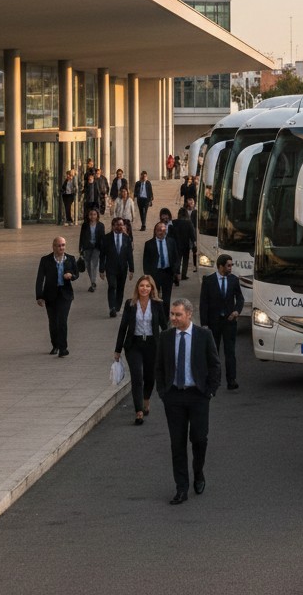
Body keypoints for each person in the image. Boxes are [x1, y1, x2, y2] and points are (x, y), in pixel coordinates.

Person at [156, 297, 220, 504]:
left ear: (189, 314)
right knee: (177, 444)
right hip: (173, 396)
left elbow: (214, 364)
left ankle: (198, 471)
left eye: (178, 315)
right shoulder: (165, 337)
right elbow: (159, 366)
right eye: (172, 314)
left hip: (198, 395)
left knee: (199, 439)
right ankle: (181, 488)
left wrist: (210, 391)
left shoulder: (203, 335)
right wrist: (163, 392)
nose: (174, 318)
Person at [114, 275, 168, 425]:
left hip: (152, 344)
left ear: (152, 289)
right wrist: (117, 350)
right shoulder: (130, 304)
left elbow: (164, 326)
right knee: (137, 377)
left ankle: (146, 399)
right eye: (142, 285)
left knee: (150, 377)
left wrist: (170, 344)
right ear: (137, 287)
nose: (144, 288)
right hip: (134, 345)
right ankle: (138, 411)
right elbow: (123, 327)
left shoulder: (157, 304)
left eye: (148, 286)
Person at [199, 254, 243, 390]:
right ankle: (214, 380)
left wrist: (237, 311)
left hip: (229, 322)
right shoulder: (208, 281)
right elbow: (203, 303)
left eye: (231, 265)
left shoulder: (234, 280)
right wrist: (204, 324)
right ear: (221, 266)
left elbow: (240, 298)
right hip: (214, 322)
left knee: (230, 352)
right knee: (214, 352)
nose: (230, 268)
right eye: (228, 265)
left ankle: (231, 380)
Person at [35, 235, 81, 356]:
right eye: (59, 245)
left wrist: (71, 276)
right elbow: (40, 279)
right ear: (53, 247)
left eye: (63, 245)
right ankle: (55, 345)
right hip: (50, 295)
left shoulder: (70, 258)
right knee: (53, 322)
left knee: (62, 320)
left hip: (65, 295)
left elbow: (76, 274)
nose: (61, 248)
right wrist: (39, 296)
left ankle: (63, 348)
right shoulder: (45, 260)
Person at [100, 216, 135, 316]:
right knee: (112, 286)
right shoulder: (106, 238)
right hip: (110, 267)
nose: (120, 227)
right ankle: (112, 307)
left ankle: (118, 306)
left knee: (120, 287)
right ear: (113, 226)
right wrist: (101, 270)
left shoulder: (127, 238)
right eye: (117, 225)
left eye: (121, 224)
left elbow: (129, 255)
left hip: (123, 268)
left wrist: (131, 269)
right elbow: (102, 255)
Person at [144, 221, 180, 308]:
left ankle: (165, 319)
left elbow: (176, 257)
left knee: (166, 298)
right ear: (155, 231)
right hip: (155, 273)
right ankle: (156, 317)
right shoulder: (149, 244)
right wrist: (147, 275)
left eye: (164, 230)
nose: (162, 232)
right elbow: (146, 261)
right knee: (154, 297)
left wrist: (177, 271)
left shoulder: (171, 242)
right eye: (159, 230)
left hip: (168, 272)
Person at [79, 208, 106, 292]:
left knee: (93, 264)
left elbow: (103, 238)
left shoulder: (101, 225)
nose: (93, 216)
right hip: (87, 247)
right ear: (88, 215)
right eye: (91, 214)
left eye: (94, 214)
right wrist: (80, 247)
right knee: (88, 265)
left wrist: (103, 248)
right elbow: (82, 236)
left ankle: (93, 283)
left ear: (97, 215)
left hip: (97, 247)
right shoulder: (85, 225)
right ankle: (92, 282)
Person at [172, 207, 196, 281]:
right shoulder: (189, 223)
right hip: (186, 245)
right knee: (185, 260)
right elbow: (192, 235)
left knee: (177, 259)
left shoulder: (174, 222)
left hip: (176, 244)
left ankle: (176, 273)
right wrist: (194, 244)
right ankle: (184, 275)